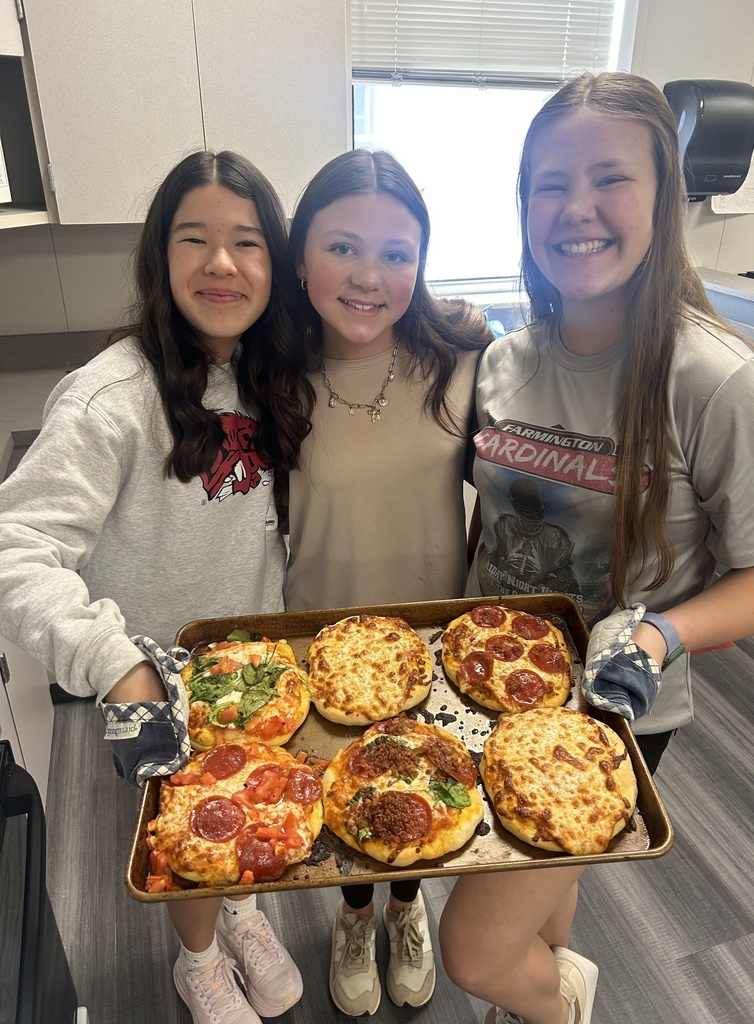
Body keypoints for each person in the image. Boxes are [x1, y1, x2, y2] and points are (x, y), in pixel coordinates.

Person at [440, 71, 754, 1024]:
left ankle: (559, 1005)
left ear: (664, 197)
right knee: (545, 889)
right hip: (486, 684)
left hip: (612, 709)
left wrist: (658, 635)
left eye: (608, 179)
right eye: (549, 184)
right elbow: (490, 515)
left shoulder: (717, 382)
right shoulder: (505, 359)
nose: (575, 208)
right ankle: (547, 976)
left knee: (472, 949)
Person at [0, 150, 312, 1024]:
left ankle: (245, 918)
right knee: (192, 829)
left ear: (276, 264)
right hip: (160, 683)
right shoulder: (109, 399)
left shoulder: (271, 368)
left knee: (249, 811)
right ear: (158, 255)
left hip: (256, 673)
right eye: (195, 239)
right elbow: (13, 547)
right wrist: (115, 662)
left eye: (248, 242)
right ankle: (199, 959)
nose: (222, 263)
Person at [283, 148, 494, 1016]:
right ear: (300, 257)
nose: (370, 276)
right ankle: (354, 914)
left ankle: (406, 910)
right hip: (322, 640)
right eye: (343, 247)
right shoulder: (265, 372)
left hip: (435, 643)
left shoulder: (465, 354)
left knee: (426, 787)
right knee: (350, 798)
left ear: (422, 262)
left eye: (398, 254)